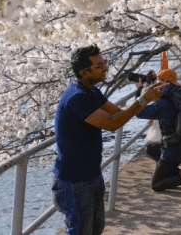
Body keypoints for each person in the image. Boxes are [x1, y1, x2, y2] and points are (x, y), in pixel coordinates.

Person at [52, 45, 164, 235]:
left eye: (104, 63)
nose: (105, 68)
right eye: (99, 65)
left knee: (96, 229)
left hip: (92, 175)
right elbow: (112, 124)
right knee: (80, 231)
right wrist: (143, 101)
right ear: (83, 71)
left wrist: (144, 96)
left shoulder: (92, 92)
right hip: (74, 181)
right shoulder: (77, 97)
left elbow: (119, 113)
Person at [135, 69, 181, 194]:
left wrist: (142, 92)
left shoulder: (164, 103)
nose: (155, 85)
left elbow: (139, 113)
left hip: (172, 149)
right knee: (150, 148)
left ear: (165, 82)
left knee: (156, 185)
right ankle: (174, 171)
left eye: (158, 82)